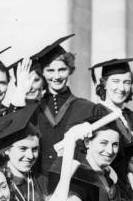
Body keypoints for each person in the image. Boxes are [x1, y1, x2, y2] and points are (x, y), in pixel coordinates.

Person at [31, 35, 97, 176]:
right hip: (40, 180)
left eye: (62, 69)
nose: (56, 76)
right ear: (42, 72)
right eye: (50, 70)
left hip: (75, 178)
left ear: (70, 70)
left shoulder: (86, 107)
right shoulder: (33, 109)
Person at [0, 104, 48, 201]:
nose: (30, 156)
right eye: (23, 148)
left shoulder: (42, 182)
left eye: (35, 149)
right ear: (6, 150)